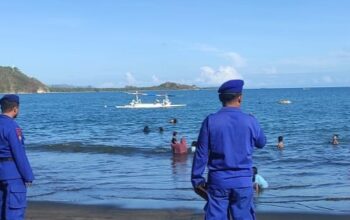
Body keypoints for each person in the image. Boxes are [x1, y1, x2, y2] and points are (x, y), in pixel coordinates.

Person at [191, 79, 266, 220]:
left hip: (218, 181)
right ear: (240, 97)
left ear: (221, 98)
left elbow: (201, 153)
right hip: (243, 181)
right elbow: (261, 143)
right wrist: (255, 123)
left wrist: (196, 179)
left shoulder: (210, 121)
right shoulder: (250, 120)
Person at [0, 94, 34, 220]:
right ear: (15, 109)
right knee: (14, 212)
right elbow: (18, 153)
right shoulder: (13, 127)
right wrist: (28, 176)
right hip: (12, 174)